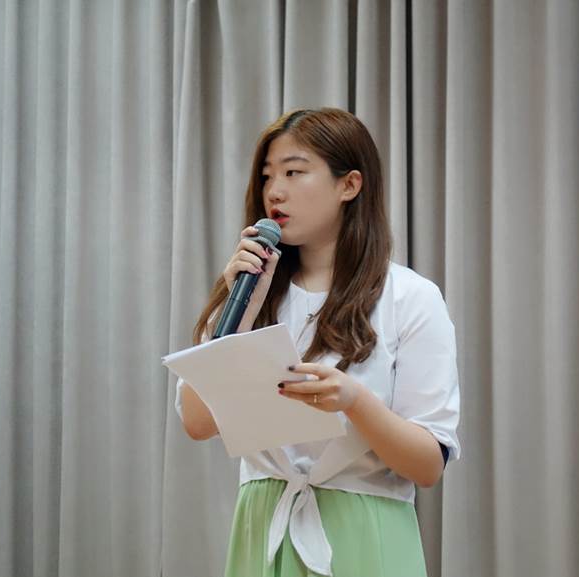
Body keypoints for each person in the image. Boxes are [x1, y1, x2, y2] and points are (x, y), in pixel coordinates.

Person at [175, 108, 460, 577]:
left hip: (364, 530)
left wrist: (354, 402)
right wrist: (238, 311)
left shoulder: (411, 297)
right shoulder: (249, 291)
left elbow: (428, 466)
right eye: (267, 176)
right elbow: (197, 422)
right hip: (264, 522)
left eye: (293, 172)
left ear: (349, 185)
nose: (274, 191)